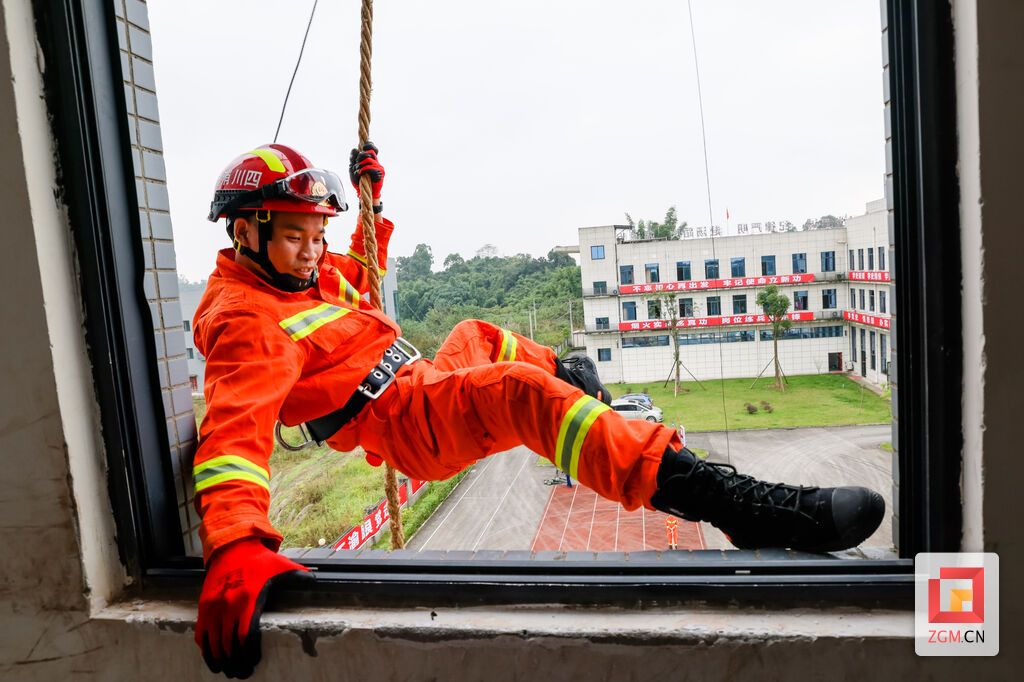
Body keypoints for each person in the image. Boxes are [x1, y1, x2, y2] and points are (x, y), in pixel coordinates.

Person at [192, 143, 885, 678]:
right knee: (519, 393)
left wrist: (371, 200)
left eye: (318, 232)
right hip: (405, 420)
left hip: (419, 379)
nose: (314, 250)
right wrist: (236, 546)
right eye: (295, 235)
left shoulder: (304, 275)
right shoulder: (247, 322)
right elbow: (232, 436)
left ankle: (591, 400)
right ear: (245, 233)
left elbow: (361, 272)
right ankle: (730, 503)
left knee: (481, 336)